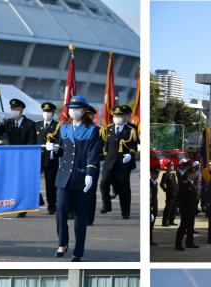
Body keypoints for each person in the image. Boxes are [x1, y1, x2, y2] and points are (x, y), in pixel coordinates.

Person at [46, 96, 99, 261]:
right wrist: (55, 149)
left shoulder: (92, 129)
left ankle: (78, 251)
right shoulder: (64, 128)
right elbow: (64, 151)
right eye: (70, 108)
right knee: (60, 210)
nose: (72, 111)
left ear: (84, 110)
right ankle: (62, 243)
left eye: (76, 108)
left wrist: (90, 175)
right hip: (64, 176)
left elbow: (92, 155)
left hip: (81, 177)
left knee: (80, 217)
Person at [101, 105, 138, 219]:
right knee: (103, 183)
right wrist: (104, 158)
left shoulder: (131, 129)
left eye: (120, 115)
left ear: (126, 117)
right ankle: (107, 205)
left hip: (123, 162)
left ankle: (125, 212)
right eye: (115, 115)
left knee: (124, 188)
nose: (117, 118)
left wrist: (130, 155)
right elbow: (107, 146)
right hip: (110, 161)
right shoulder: (109, 128)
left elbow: (134, 145)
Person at [35, 102, 61, 215]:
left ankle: (52, 205)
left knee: (50, 184)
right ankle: (38, 199)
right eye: (45, 111)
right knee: (33, 181)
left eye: (49, 111)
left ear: (53, 113)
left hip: (50, 158)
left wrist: (55, 147)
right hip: (37, 158)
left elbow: (60, 141)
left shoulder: (58, 125)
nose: (46, 114)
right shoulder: (37, 124)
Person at [175, 167, 200, 250]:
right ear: (188, 175)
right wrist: (181, 208)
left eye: (195, 173)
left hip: (192, 209)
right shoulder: (185, 185)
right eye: (193, 173)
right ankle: (178, 244)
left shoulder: (194, 184)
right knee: (183, 227)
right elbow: (179, 198)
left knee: (190, 227)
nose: (195, 175)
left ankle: (189, 242)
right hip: (186, 210)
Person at [160, 161, 179, 226]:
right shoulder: (166, 174)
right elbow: (162, 184)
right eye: (171, 166)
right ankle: (165, 221)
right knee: (168, 208)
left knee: (174, 208)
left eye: (173, 166)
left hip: (175, 194)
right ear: (167, 167)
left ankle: (171, 220)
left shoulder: (173, 174)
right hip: (170, 194)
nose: (172, 167)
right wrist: (166, 190)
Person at [148, 167, 159, 245]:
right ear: (152, 174)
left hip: (154, 206)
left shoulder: (155, 183)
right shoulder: (149, 183)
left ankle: (150, 240)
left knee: (151, 226)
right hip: (150, 207)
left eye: (158, 174)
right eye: (156, 174)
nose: (157, 175)